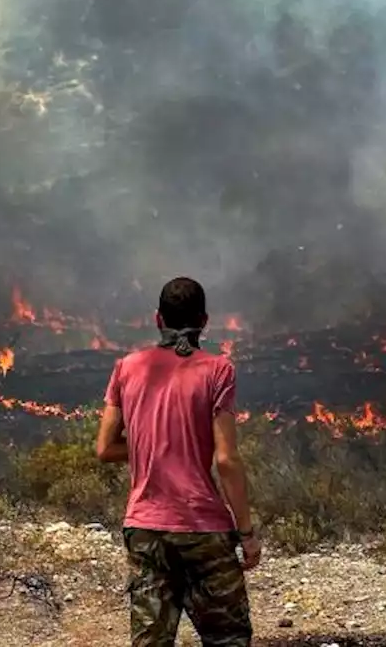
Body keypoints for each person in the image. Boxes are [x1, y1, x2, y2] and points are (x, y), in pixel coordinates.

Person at [96, 276, 261, 647]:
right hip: (202, 527)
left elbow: (105, 448)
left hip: (146, 529)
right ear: (204, 321)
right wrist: (247, 533)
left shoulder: (126, 367)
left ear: (158, 319)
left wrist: (152, 446)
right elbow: (226, 459)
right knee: (228, 638)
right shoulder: (218, 370)